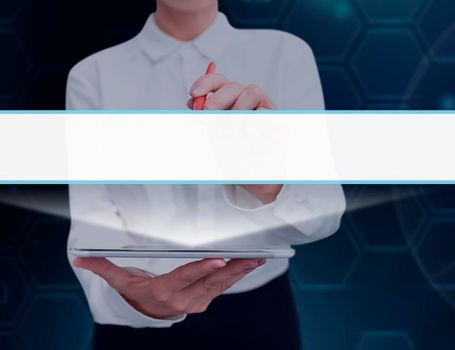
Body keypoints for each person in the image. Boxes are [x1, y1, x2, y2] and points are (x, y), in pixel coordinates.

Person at [66, 1, 345, 348]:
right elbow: (92, 223)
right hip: (138, 317)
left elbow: (324, 214)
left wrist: (268, 183)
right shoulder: (93, 75)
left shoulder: (285, 54)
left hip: (258, 316)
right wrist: (137, 300)